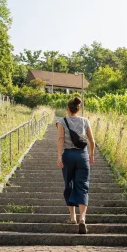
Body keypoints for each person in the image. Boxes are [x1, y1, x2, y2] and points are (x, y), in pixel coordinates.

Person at [56, 97, 95, 234]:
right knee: (83, 186)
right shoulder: (85, 121)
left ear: (68, 109)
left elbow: (61, 139)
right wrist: (91, 154)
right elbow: (91, 140)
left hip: (68, 155)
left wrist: (59, 156)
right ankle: (82, 219)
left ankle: (72, 217)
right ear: (78, 109)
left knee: (69, 184)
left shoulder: (61, 121)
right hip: (82, 156)